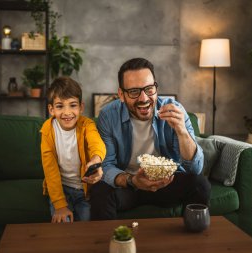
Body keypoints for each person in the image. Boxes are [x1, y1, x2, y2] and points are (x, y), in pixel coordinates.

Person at [90, 58, 211, 220]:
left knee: (200, 184)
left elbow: (195, 169)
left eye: (149, 89)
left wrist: (182, 131)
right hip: (129, 185)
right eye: (134, 91)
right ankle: (110, 243)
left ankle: (190, 242)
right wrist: (133, 180)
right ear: (121, 94)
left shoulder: (175, 109)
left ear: (156, 88)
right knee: (99, 190)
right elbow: (107, 165)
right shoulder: (108, 116)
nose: (144, 98)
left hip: (166, 183)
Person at [41, 76, 106, 223]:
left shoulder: (87, 125)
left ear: (81, 107)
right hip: (60, 189)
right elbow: (49, 168)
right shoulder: (47, 130)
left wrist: (96, 158)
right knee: (63, 223)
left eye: (72, 105)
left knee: (85, 223)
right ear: (51, 109)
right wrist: (59, 205)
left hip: (84, 191)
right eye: (59, 106)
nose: (67, 112)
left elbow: (96, 143)